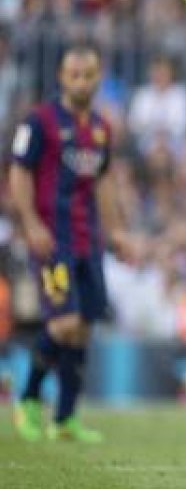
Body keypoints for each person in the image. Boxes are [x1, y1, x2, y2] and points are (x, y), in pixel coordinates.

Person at [9, 42, 138, 443]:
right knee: (63, 323)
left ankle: (65, 418)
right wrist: (30, 223)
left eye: (88, 75)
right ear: (62, 78)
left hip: (88, 240)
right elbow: (19, 173)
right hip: (52, 239)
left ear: (98, 78)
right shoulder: (40, 122)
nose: (81, 82)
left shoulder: (100, 128)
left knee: (83, 328)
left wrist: (116, 231)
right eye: (74, 75)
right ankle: (28, 399)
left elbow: (102, 183)